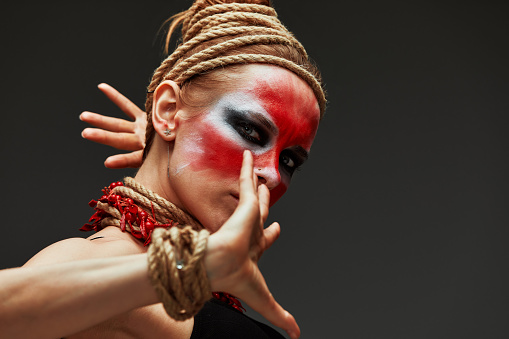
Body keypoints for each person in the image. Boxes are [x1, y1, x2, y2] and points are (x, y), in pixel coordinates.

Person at [0, 0, 326, 338]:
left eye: (288, 160)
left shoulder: (206, 286)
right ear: (167, 109)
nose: (272, 175)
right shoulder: (99, 261)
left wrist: (178, 134)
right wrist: (194, 266)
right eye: (250, 131)